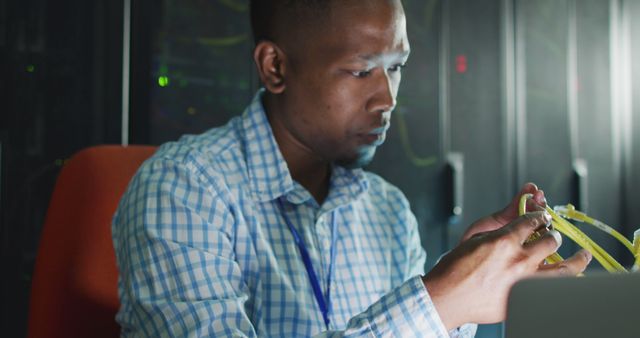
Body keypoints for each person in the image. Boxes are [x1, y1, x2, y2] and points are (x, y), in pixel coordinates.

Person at [112, 0, 592, 336]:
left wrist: (460, 293)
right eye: (362, 70)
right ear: (275, 67)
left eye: (396, 67)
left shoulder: (387, 209)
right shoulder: (181, 189)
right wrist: (439, 298)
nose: (387, 99)